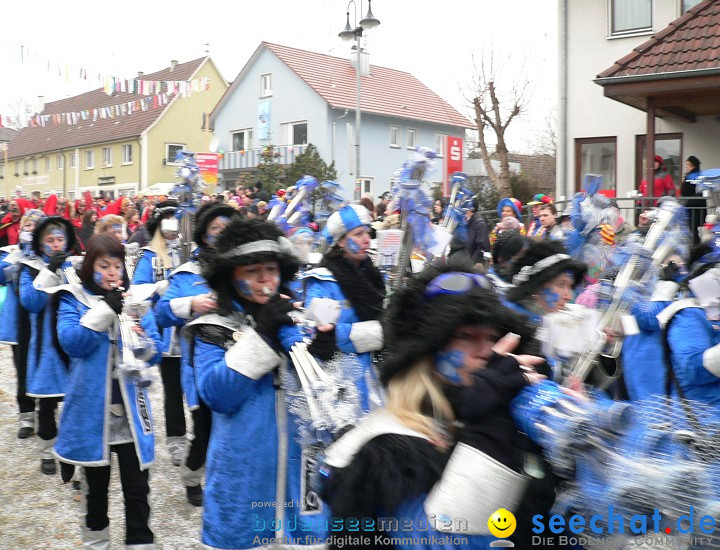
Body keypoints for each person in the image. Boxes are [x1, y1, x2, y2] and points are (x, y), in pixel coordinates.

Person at [319, 262, 546, 549]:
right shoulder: (392, 448)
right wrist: (491, 426)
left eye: (491, 338)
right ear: (426, 354)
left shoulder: (460, 418)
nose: (486, 352)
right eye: (465, 337)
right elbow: (440, 541)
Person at [183, 218, 329, 549]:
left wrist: (324, 353)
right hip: (243, 470)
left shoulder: (300, 318)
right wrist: (262, 336)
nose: (264, 278)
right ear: (230, 277)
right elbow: (217, 395)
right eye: (251, 271)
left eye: (270, 268)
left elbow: (327, 396)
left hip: (299, 469)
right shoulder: (211, 328)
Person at [55, 234, 162, 549]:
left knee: (137, 486)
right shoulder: (72, 298)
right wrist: (103, 312)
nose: (112, 272)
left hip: (131, 411)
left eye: (117, 265)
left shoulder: (136, 299)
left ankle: (140, 540)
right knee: (95, 488)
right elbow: (72, 342)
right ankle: (96, 539)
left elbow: (153, 353)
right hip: (92, 411)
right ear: (90, 267)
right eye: (104, 265)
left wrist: (143, 340)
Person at [155, 203, 236, 507]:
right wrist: (192, 303)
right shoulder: (188, 274)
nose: (222, 233)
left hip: (242, 359)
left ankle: (227, 480)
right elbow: (162, 312)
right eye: (215, 228)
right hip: (203, 362)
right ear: (203, 235)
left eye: (227, 228)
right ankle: (192, 476)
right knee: (204, 428)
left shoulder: (245, 266)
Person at [304, 205, 385, 408]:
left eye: (368, 232)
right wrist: (379, 333)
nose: (367, 239)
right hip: (341, 382)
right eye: (358, 234)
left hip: (375, 377)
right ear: (340, 241)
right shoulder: (322, 280)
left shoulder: (374, 277)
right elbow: (318, 331)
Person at [18, 216, 78, 474]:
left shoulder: (76, 266)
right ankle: (46, 450)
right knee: (47, 403)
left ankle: (72, 451)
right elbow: (30, 302)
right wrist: (48, 272)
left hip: (74, 344)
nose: (56, 244)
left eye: (60, 239)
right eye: (50, 240)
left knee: (75, 403)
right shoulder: (30, 268)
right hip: (46, 347)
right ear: (40, 245)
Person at [132, 201, 188, 465]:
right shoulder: (149, 256)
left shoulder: (192, 252)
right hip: (169, 333)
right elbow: (138, 289)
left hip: (197, 329)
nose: (172, 225)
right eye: (167, 220)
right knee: (174, 389)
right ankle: (177, 440)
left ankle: (205, 438)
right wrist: (159, 288)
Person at [0, 209, 45, 438]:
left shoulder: (48, 253)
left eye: (36, 226)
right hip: (20, 321)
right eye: (28, 226)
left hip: (43, 321)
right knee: (22, 366)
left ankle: (46, 411)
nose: (31, 229)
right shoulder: (12, 253)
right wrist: (13, 264)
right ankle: (26, 415)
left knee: (44, 365)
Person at [448, 197, 490, 264]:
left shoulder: (480, 225)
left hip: (471, 268)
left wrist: (470, 265)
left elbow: (482, 248)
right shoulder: (461, 223)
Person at [680, 155, 705, 243]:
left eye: (688, 165)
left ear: (693, 165)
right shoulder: (702, 176)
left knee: (693, 229)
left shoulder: (690, 177)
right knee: (699, 230)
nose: (686, 166)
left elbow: (684, 192)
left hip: (692, 206)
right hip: (702, 207)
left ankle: (695, 249)